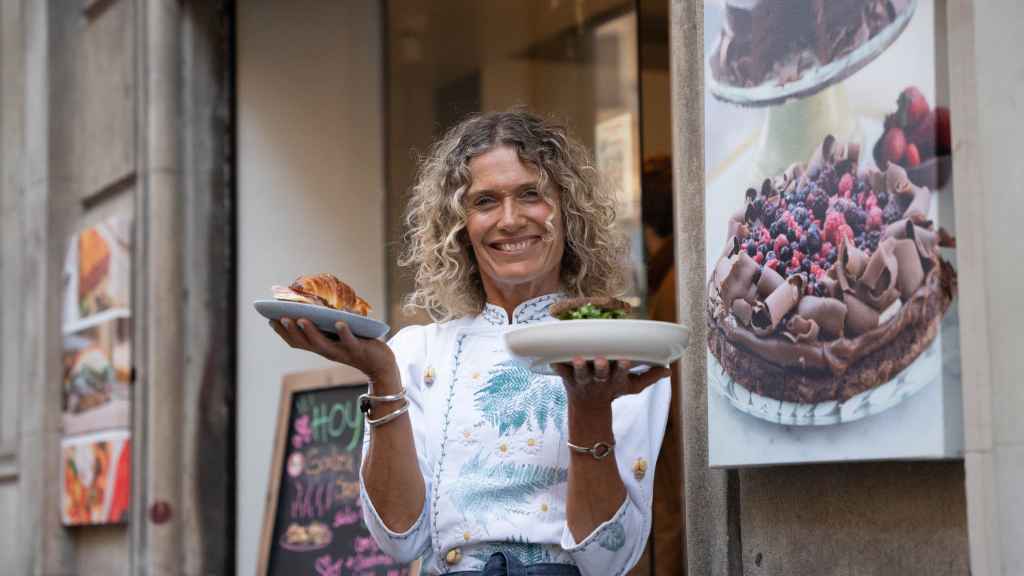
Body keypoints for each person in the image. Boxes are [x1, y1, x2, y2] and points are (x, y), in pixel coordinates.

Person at [270, 110, 672, 576]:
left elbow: (609, 558)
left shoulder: (624, 351)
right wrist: (383, 376)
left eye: (531, 194)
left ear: (568, 210)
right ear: (458, 225)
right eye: (485, 201)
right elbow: (400, 540)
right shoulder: (416, 353)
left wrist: (589, 410)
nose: (510, 219)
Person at [639, 156, 685, 575]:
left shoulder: (673, 278)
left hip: (673, 423)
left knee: (668, 517)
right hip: (672, 422)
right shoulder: (673, 272)